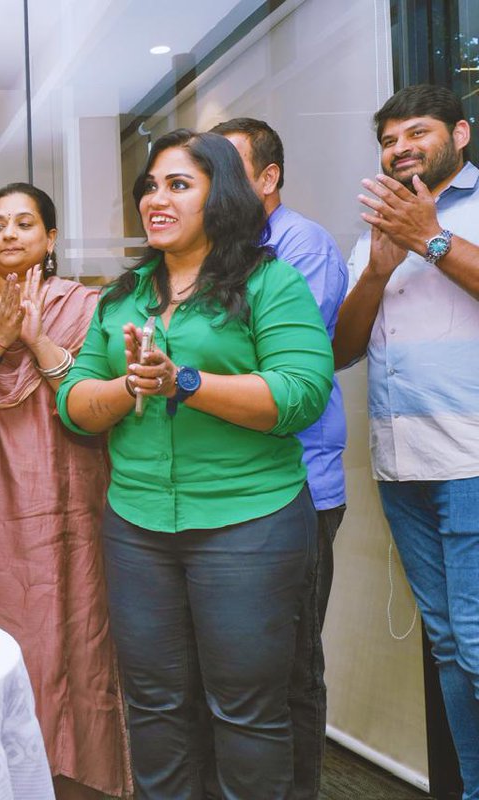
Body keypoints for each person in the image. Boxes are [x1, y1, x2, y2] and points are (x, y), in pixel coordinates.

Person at [58, 129, 333, 799]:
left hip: (250, 524)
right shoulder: (121, 297)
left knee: (246, 712)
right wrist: (131, 386)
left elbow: (300, 394)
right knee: (153, 710)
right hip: (138, 528)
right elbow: (73, 402)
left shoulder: (270, 281)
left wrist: (185, 381)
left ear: (224, 195)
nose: (157, 198)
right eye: (150, 186)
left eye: (178, 185)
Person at [0, 183, 131, 799]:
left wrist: (32, 337)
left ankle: (77, 774)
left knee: (76, 627)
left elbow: (92, 399)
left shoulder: (90, 305)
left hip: (69, 490)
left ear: (50, 238)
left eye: (24, 223)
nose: (9, 234)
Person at [333, 84, 479, 799]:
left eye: (416, 133)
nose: (400, 149)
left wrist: (431, 238)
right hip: (401, 464)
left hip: (474, 459)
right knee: (450, 649)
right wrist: (379, 268)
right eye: (389, 140)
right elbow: (343, 348)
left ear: (461, 133)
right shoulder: (374, 230)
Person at [210, 117, 348, 800]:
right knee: (234, 672)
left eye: (230, 169)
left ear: (269, 179)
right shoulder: (208, 252)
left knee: (290, 668)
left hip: (299, 488)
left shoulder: (302, 245)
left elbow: (281, 367)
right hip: (227, 493)